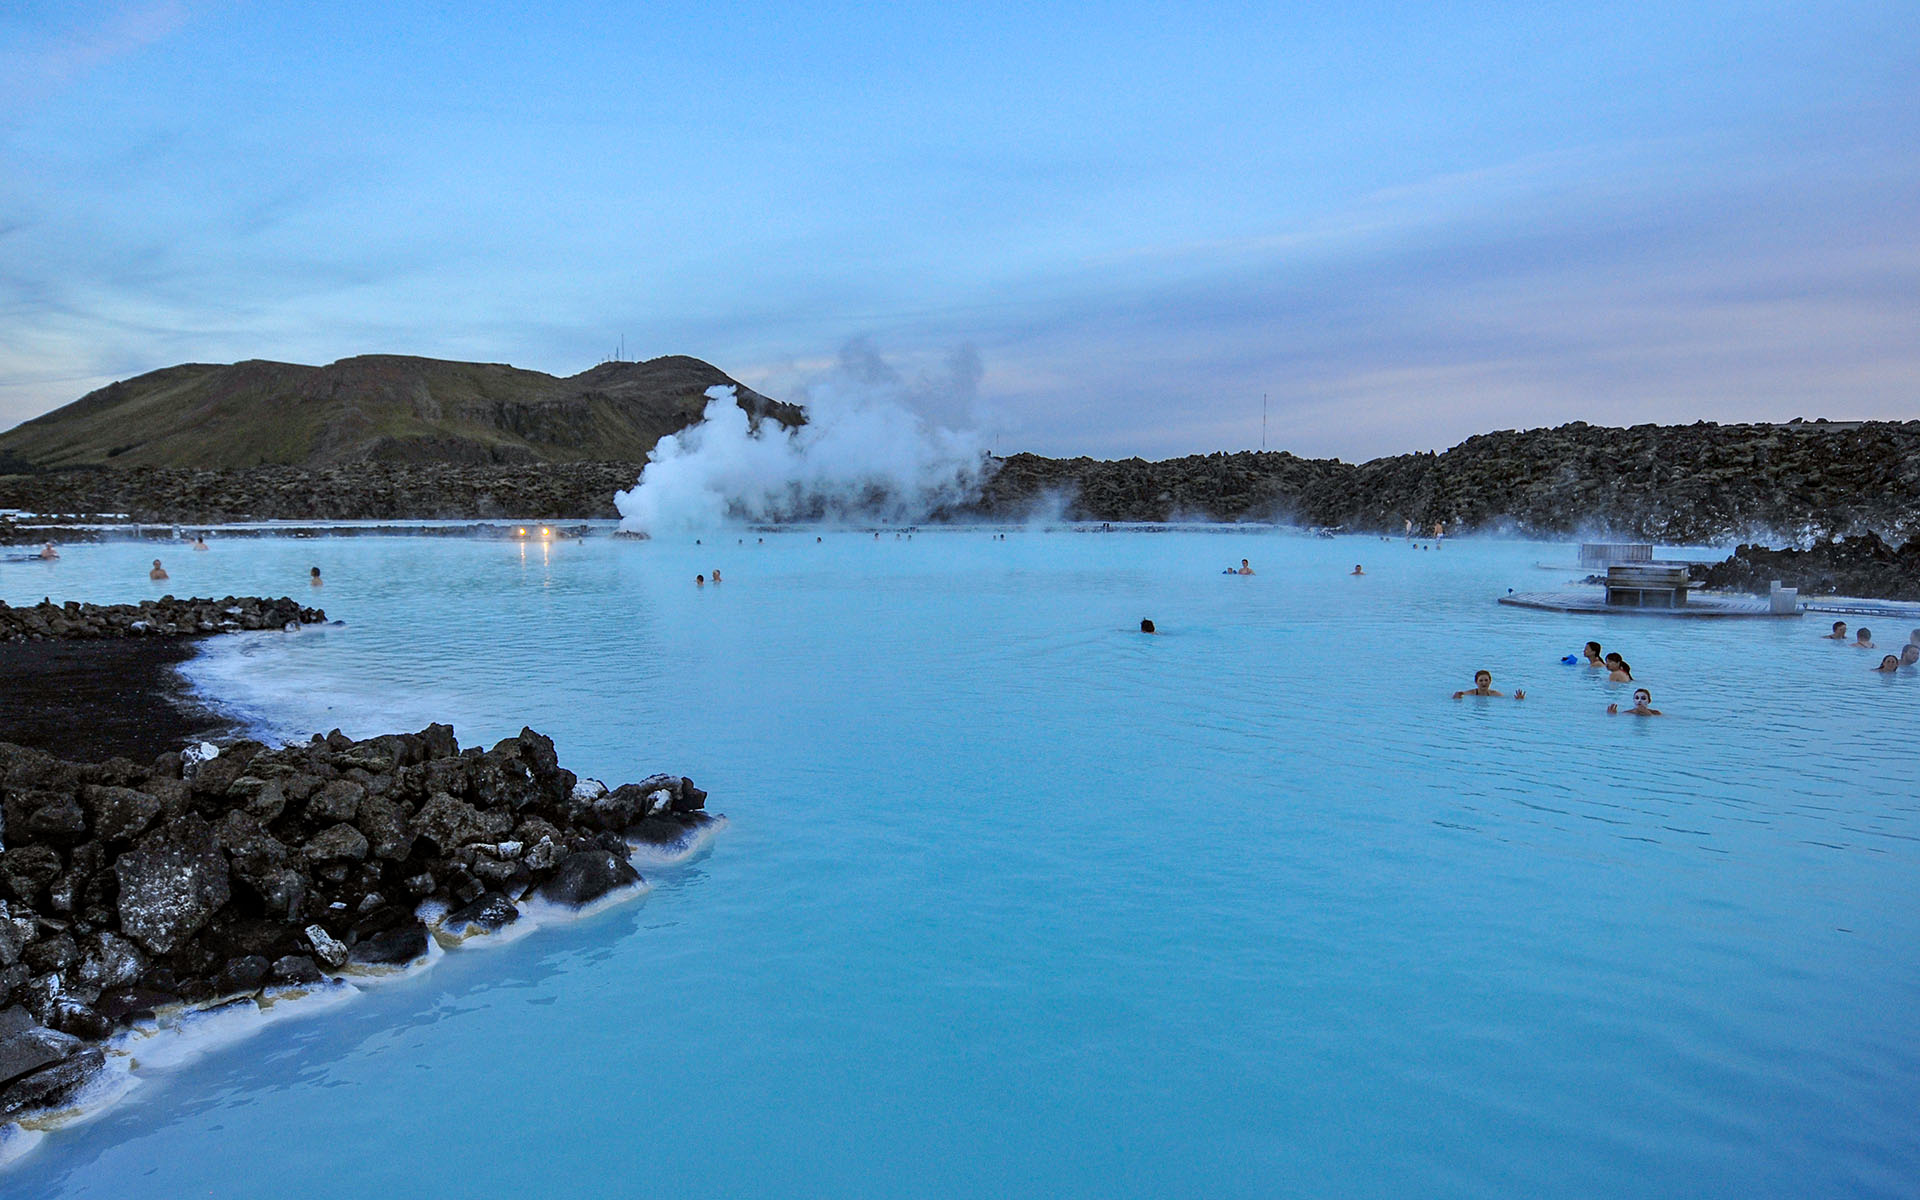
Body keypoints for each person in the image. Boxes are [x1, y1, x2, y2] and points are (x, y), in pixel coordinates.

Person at [1454, 670, 1523, 700]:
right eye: (1481, 680)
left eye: (1486, 680)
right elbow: (1458, 696)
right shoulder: (1469, 693)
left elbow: (1506, 699)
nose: (1484, 683)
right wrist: (1456, 697)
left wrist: (1519, 700)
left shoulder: (1496, 694)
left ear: (1490, 681)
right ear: (1476, 682)